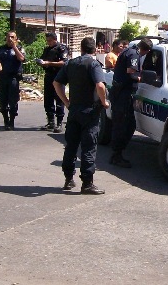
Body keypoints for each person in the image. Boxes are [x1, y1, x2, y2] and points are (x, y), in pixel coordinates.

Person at [53, 37, 109, 195]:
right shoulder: (93, 64)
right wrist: (104, 102)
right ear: (96, 49)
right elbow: (100, 85)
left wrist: (66, 102)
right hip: (90, 111)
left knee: (71, 145)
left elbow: (56, 83)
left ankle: (68, 178)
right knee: (89, 147)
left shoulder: (71, 63)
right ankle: (87, 183)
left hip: (74, 110)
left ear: (82, 48)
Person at [109, 37, 152, 167]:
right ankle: (116, 156)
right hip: (123, 94)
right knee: (123, 124)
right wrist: (141, 77)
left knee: (124, 124)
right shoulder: (134, 54)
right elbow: (131, 73)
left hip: (121, 92)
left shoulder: (129, 51)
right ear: (146, 50)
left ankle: (117, 153)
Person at [37, 32, 68, 133]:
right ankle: (50, 122)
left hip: (59, 76)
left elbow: (64, 62)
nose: (48, 42)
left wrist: (49, 63)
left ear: (55, 39)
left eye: (50, 40)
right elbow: (43, 59)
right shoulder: (47, 49)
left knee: (59, 99)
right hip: (49, 75)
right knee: (48, 99)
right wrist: (41, 62)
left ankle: (59, 123)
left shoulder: (61, 48)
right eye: (47, 40)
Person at [0, 30, 25, 130]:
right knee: (2, 100)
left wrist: (14, 47)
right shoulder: (0, 49)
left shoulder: (19, 48)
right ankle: (5, 120)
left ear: (16, 39)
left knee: (13, 101)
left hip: (13, 78)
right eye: (8, 37)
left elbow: (21, 58)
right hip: (2, 78)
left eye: (12, 37)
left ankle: (11, 121)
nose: (10, 39)